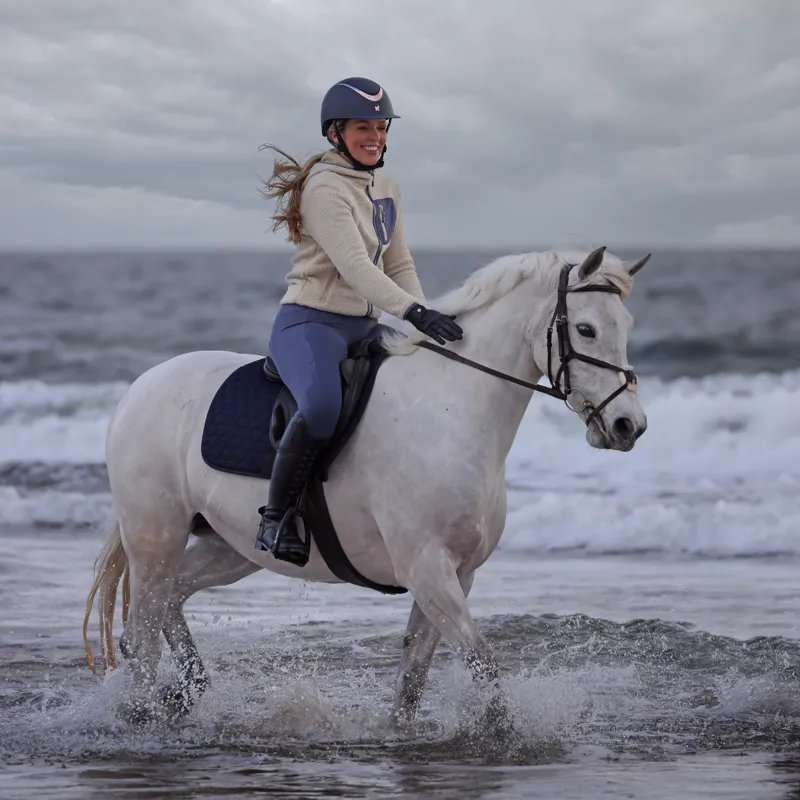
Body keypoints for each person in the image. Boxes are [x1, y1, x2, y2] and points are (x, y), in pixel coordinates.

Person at [254, 76, 463, 566]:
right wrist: (413, 313)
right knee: (323, 407)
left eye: (381, 127)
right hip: (311, 324)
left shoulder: (386, 186)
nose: (375, 136)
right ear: (335, 134)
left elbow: (399, 265)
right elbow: (356, 268)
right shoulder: (324, 190)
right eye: (362, 128)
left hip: (366, 328)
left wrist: (425, 319)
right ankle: (276, 516)